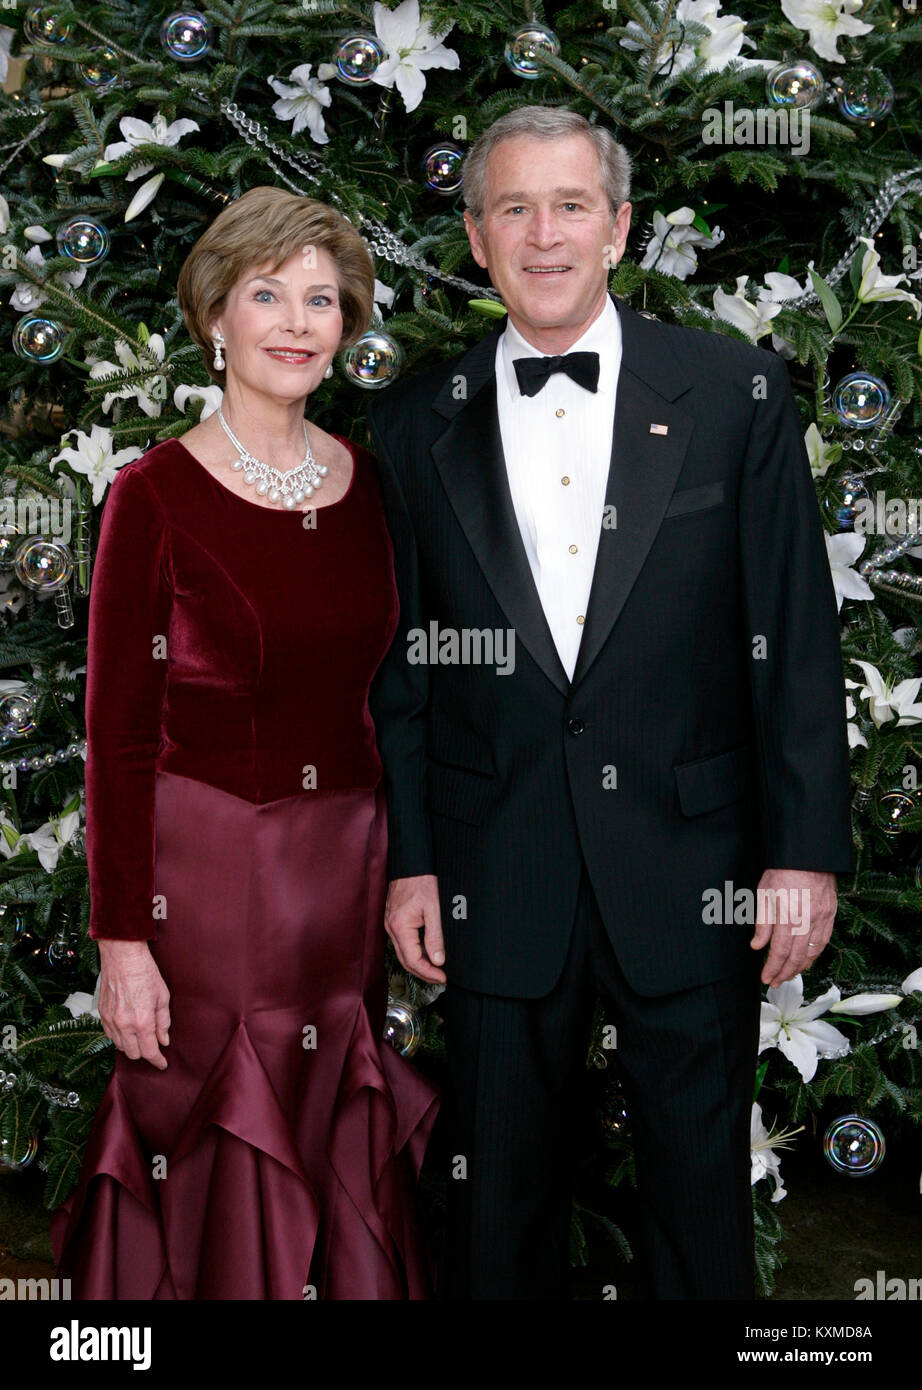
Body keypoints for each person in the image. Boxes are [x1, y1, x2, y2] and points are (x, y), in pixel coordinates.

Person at [365, 106, 855, 1300]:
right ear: (476, 239)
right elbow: (403, 675)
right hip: (494, 864)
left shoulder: (732, 392)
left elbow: (792, 634)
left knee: (698, 1206)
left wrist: (800, 854)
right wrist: (413, 863)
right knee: (496, 1213)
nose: (545, 236)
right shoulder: (406, 424)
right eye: (514, 210)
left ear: (620, 227)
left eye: (571, 206)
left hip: (696, 862)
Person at [50, 185, 438, 1300]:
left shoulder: (370, 489)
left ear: (347, 329)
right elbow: (115, 734)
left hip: (341, 874)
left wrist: (406, 862)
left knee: (326, 1102)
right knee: (220, 1116)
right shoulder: (154, 493)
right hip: (208, 881)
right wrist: (123, 942)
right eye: (269, 293)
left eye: (323, 299)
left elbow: (392, 696)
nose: (297, 321)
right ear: (217, 314)